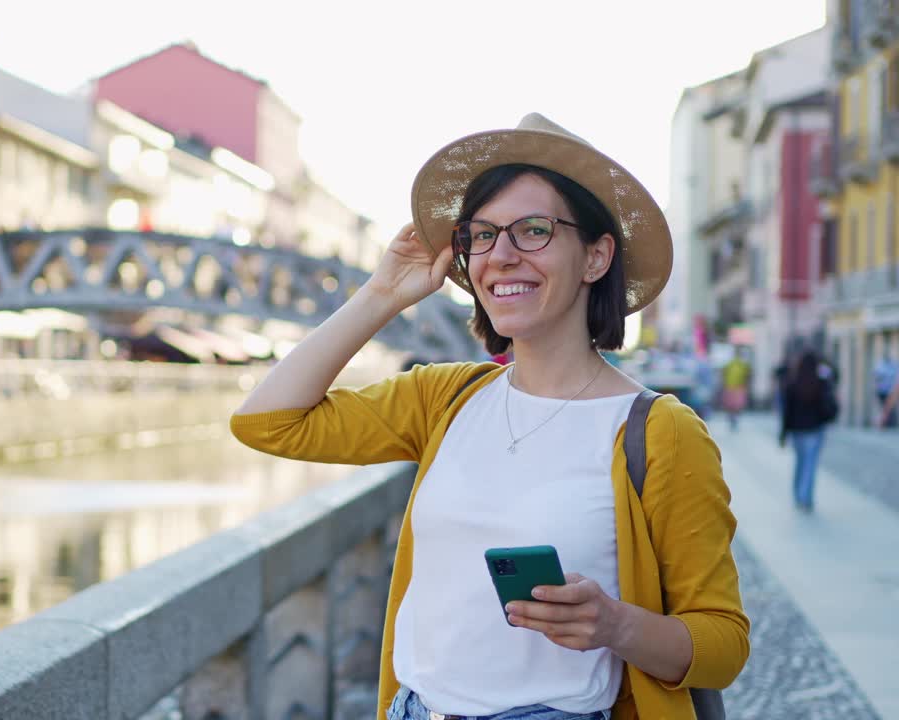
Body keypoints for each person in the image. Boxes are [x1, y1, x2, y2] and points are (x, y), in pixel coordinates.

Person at [231, 114, 748, 720]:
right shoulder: (445, 399)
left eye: (533, 230)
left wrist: (616, 625)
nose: (500, 255)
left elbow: (724, 644)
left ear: (596, 256)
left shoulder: (660, 433)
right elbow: (268, 422)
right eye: (481, 234)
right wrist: (381, 296)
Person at [780, 350, 839, 511]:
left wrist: (783, 434)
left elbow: (787, 412)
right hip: (815, 429)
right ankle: (806, 497)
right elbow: (827, 404)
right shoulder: (820, 382)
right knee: (810, 465)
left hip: (797, 431)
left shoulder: (792, 383)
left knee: (800, 463)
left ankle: (798, 494)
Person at [719, 351, 751, 430]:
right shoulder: (739, 364)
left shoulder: (740, 364)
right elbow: (747, 376)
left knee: (734, 405)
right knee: (734, 405)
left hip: (734, 386)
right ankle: (733, 417)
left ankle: (733, 417)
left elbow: (723, 373)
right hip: (733, 386)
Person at [873, 352, 898, 427]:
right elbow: (876, 377)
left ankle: (883, 422)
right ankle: (881, 422)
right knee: (885, 408)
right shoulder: (882, 365)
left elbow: (876, 377)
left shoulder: (892, 365)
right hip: (884, 391)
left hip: (888, 391)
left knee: (886, 408)